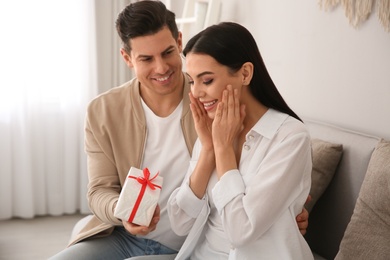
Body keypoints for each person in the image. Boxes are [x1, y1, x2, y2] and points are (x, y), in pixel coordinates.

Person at [50, 1, 309, 259]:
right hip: (128, 237)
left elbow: (272, 181)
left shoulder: (215, 107)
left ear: (179, 42)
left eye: (167, 53)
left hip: (188, 244)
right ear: (127, 58)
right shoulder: (104, 111)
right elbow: (100, 191)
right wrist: (124, 210)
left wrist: (286, 212)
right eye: (146, 59)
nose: (162, 68)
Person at [167, 22, 314, 259]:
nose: (195, 93)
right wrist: (208, 150)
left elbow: (240, 232)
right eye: (192, 81)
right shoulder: (213, 129)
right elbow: (180, 223)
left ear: (245, 73)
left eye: (206, 81)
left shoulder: (290, 137)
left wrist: (223, 150)